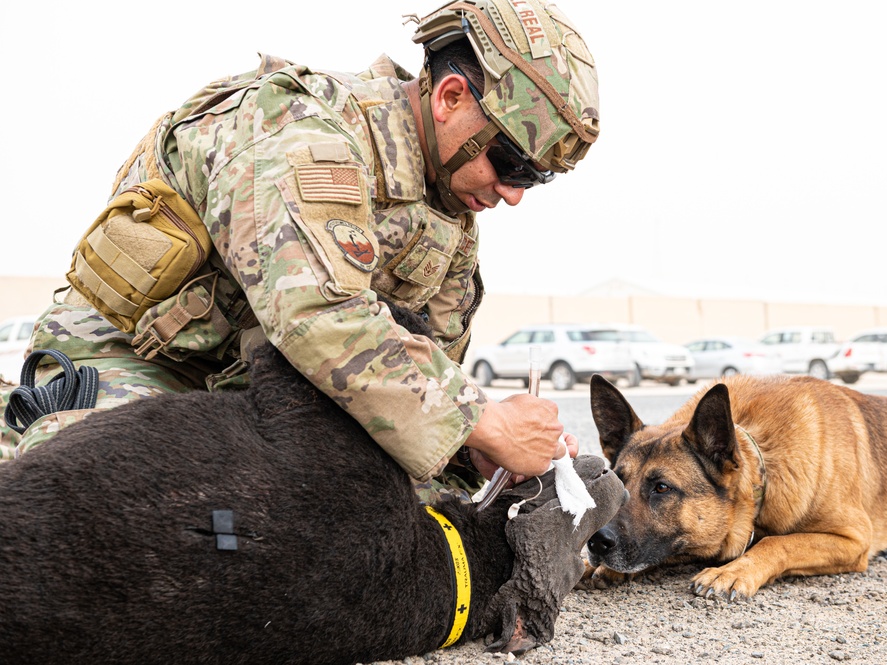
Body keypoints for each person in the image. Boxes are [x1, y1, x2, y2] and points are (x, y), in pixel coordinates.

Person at [0, 0, 600, 499]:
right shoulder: (303, 131)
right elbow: (319, 315)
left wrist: (483, 452)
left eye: (536, 179)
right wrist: (484, 422)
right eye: (512, 164)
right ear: (449, 97)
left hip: (258, 393)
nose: (515, 196)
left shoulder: (449, 219)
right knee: (140, 508)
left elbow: (415, 380)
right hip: (140, 357)